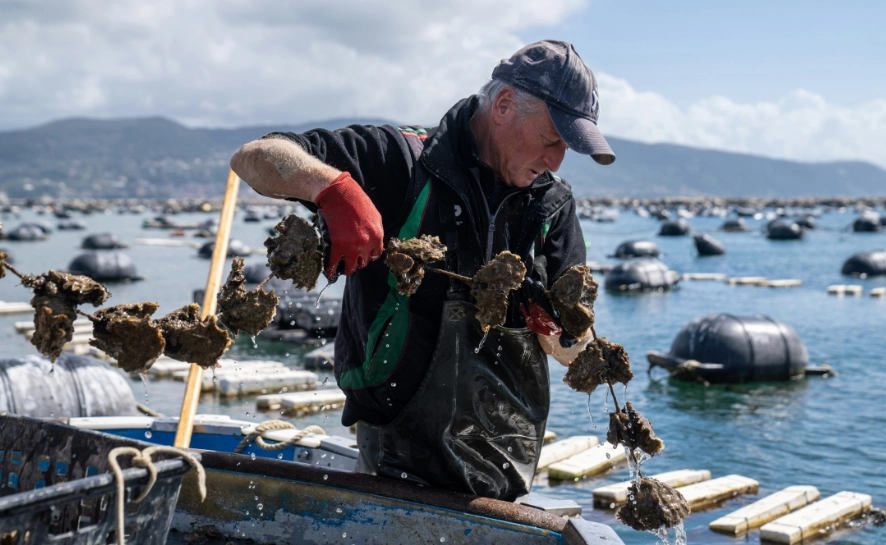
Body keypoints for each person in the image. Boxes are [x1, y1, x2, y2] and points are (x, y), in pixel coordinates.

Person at [230, 40, 615, 501]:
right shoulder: (403, 160)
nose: (555, 161)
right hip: (396, 448)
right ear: (505, 105)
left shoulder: (553, 205)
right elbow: (255, 156)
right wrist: (333, 189)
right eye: (552, 139)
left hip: (506, 458)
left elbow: (574, 349)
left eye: (567, 148)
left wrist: (562, 331)